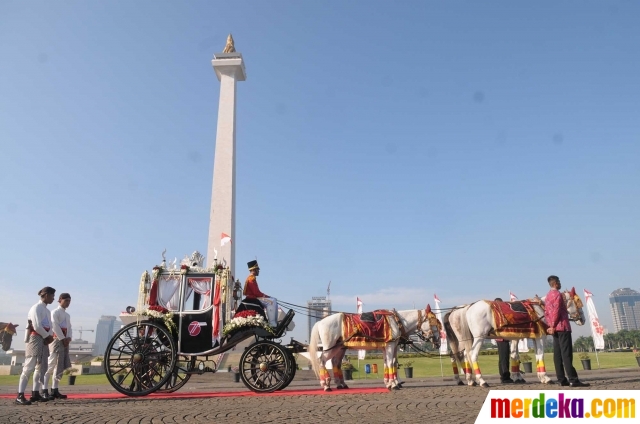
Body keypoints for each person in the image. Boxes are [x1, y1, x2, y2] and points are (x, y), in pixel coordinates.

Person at [545, 275, 589, 387]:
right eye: (559, 282)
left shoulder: (548, 296)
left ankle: (561, 379)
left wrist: (550, 326)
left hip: (553, 329)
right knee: (566, 354)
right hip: (562, 327)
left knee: (557, 355)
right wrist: (554, 325)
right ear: (555, 283)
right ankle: (573, 379)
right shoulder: (558, 295)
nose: (560, 284)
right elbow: (556, 311)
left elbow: (547, 313)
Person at [16, 287, 55, 405]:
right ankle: (20, 395)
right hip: (35, 338)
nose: (53, 298)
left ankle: (35, 393)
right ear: (47, 295)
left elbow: (50, 327)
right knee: (29, 366)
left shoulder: (47, 311)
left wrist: (49, 336)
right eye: (52, 295)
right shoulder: (36, 308)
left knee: (40, 368)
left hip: (44, 339)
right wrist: (47, 336)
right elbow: (37, 325)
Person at [43, 293, 73, 400]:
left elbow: (69, 328)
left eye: (69, 301)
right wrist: (63, 338)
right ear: (60, 300)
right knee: (51, 364)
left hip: (64, 341)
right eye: (66, 301)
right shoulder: (54, 312)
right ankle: (44, 389)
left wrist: (68, 338)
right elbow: (54, 326)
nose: (68, 303)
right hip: (56, 340)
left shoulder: (67, 315)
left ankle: (54, 389)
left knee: (59, 366)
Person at [494, 298, 514, 383]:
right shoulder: (498, 315)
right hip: (502, 338)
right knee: (504, 358)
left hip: (501, 338)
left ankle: (503, 375)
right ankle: (505, 376)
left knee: (503, 358)